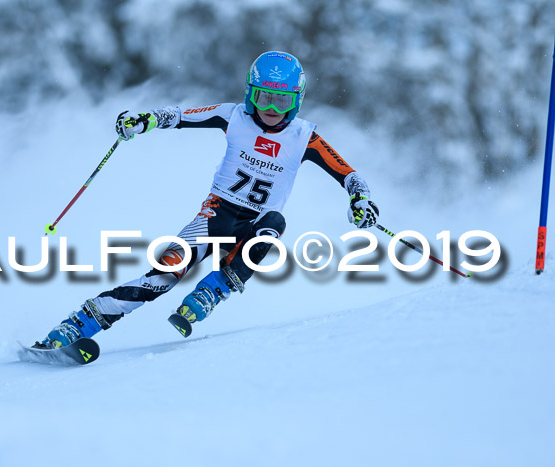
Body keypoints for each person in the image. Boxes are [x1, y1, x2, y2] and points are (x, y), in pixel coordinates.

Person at [35, 51, 379, 349]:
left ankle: (214, 289)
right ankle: (76, 326)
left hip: (252, 227)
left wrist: (360, 200)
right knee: (162, 278)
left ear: (297, 101)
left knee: (274, 224)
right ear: (250, 94)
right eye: (263, 98)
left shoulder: (304, 137)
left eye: (282, 101)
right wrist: (145, 121)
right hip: (212, 217)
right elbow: (181, 116)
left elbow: (349, 174)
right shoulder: (234, 117)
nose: (271, 109)